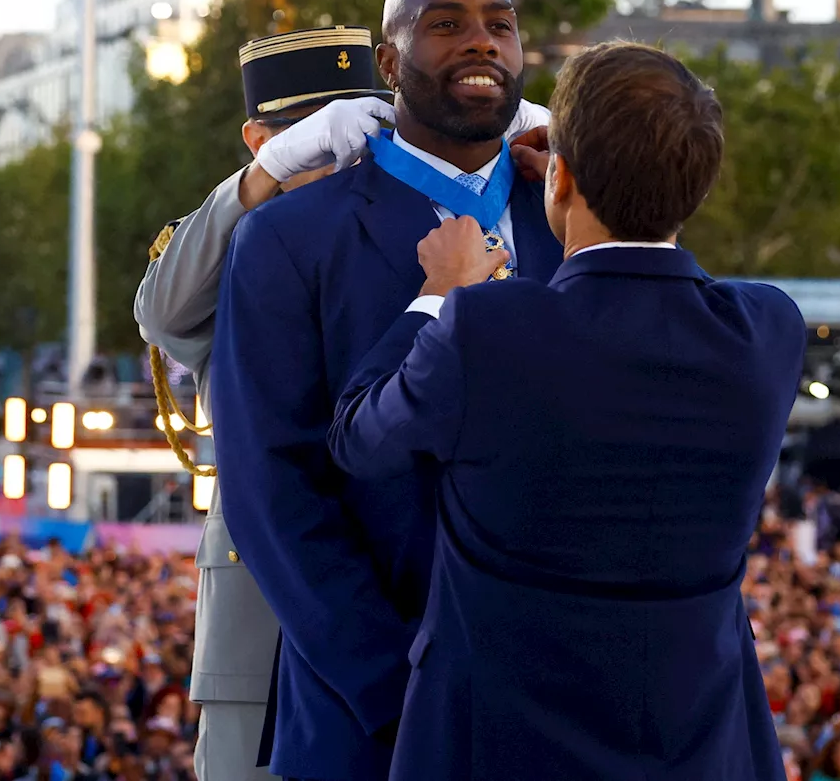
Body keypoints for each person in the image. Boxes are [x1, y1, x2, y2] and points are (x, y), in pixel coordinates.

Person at [328, 41, 805, 780]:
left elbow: (359, 436)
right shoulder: (768, 332)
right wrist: (635, 176)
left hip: (497, 747)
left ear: (563, 177)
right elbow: (674, 281)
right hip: (702, 747)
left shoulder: (487, 328)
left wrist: (439, 291)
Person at [133, 25, 548, 781]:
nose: (346, 154)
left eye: (367, 127)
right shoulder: (246, 248)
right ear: (264, 138)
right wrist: (260, 179)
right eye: (317, 139)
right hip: (269, 623)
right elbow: (161, 310)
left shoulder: (428, 238)